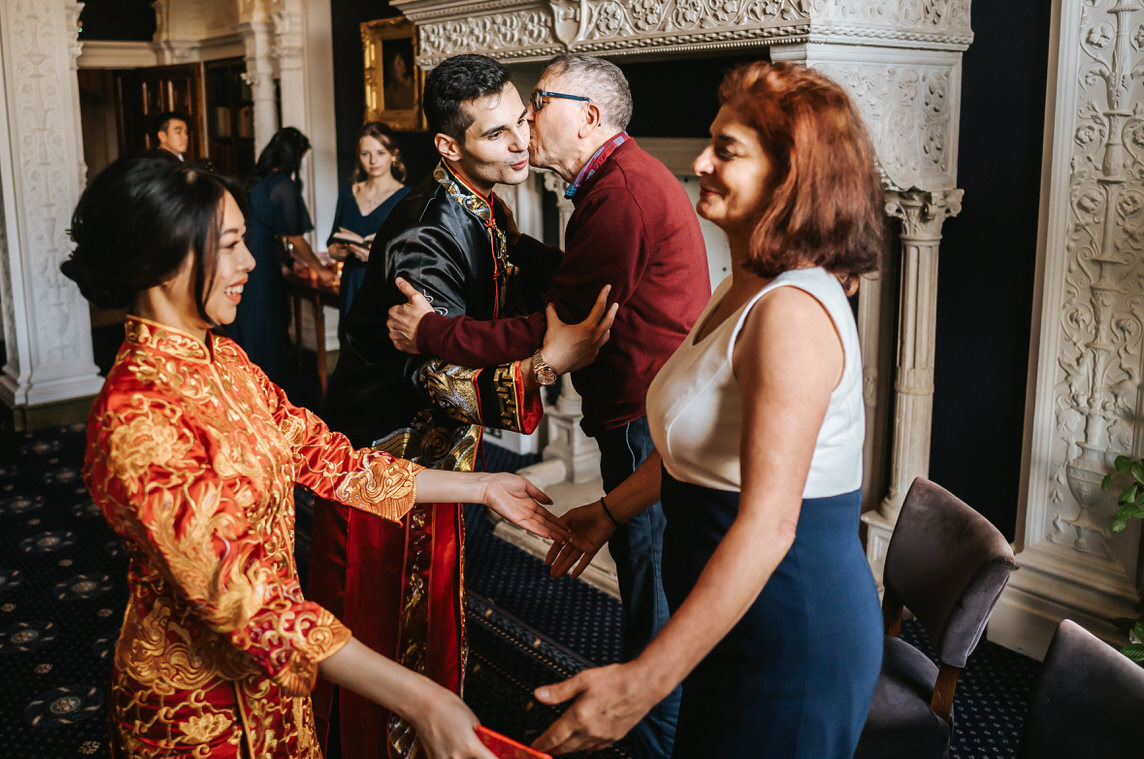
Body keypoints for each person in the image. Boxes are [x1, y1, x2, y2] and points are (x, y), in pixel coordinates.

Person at [59, 155, 569, 758]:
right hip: (197, 711)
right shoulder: (136, 415)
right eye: (227, 245)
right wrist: (423, 699)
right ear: (157, 261)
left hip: (280, 681)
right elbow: (244, 598)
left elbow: (333, 461)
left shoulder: (226, 361)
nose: (249, 261)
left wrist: (483, 487)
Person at [530, 61, 886, 758]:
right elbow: (699, 448)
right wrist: (607, 512)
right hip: (728, 614)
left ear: (791, 177)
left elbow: (769, 524)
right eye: (709, 143)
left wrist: (643, 681)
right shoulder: (743, 285)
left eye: (726, 150)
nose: (699, 163)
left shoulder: (792, 311)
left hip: (789, 626)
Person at [387, 53, 709, 759]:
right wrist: (511, 244)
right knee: (648, 596)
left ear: (589, 117)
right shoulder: (615, 183)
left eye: (537, 104)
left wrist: (431, 330)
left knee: (653, 613)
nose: (528, 123)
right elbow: (573, 279)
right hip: (648, 414)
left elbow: (554, 329)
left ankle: (652, 742)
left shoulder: (619, 194)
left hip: (647, 427)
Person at [309, 54, 615, 759]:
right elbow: (434, 375)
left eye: (521, 124)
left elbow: (513, 257)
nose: (520, 143)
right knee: (382, 617)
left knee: (435, 597)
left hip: (435, 450)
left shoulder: (479, 199)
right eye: (495, 135)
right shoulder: (425, 229)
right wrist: (550, 360)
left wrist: (595, 268)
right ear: (449, 146)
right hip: (383, 454)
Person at [227, 126, 335, 390]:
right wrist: (321, 271)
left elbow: (272, 231)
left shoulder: (256, 179)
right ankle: (267, 393)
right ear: (293, 156)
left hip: (244, 257)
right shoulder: (282, 184)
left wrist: (289, 261)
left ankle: (245, 387)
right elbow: (295, 238)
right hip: (261, 264)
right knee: (267, 327)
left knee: (250, 325)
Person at [327, 122, 411, 327]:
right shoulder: (348, 194)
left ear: (394, 155)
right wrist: (340, 251)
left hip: (384, 286)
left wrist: (377, 254)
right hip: (352, 282)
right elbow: (331, 246)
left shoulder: (407, 198)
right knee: (348, 346)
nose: (373, 160)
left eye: (380, 153)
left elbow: (413, 254)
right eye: (365, 154)